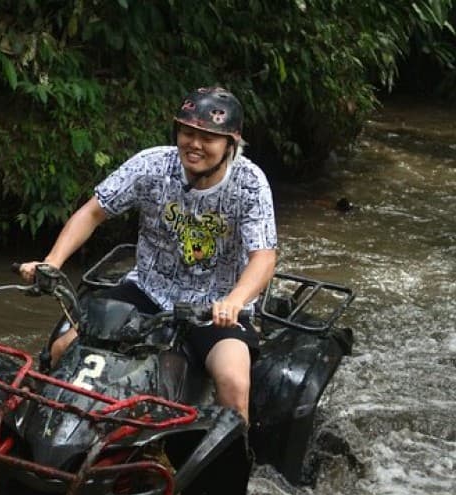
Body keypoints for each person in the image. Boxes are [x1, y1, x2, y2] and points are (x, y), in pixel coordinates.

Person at [19, 86, 277, 424]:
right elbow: (94, 212)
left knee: (233, 380)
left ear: (232, 142)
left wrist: (235, 300)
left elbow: (263, 256)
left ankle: (233, 466)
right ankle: (41, 430)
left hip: (213, 307)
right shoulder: (152, 164)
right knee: (62, 348)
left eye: (208, 138)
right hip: (147, 290)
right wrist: (52, 262)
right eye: (188, 133)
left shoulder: (250, 182)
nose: (195, 144)